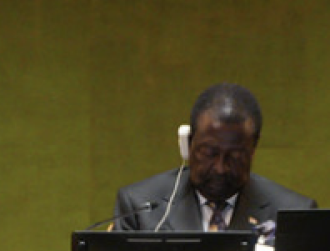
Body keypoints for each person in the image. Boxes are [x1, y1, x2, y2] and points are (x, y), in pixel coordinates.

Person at [111, 83, 316, 233]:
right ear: (188, 144)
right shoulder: (139, 207)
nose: (220, 168)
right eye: (209, 153)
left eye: (235, 156)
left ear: (253, 149)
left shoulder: (294, 215)